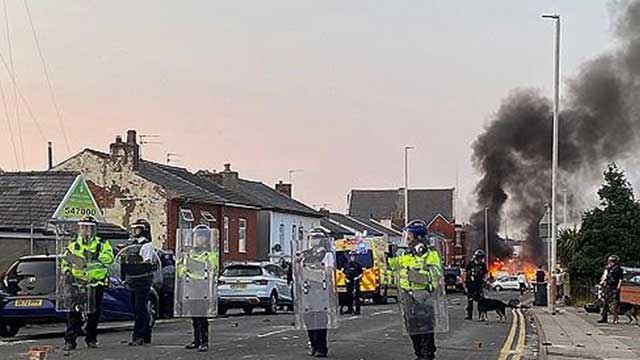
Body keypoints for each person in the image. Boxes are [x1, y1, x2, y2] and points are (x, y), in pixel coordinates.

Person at [390, 220, 448, 360]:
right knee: (411, 327)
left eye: (409, 235)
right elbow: (393, 265)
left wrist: (416, 276)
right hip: (407, 295)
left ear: (417, 236)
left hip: (423, 295)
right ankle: (419, 353)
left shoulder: (430, 253)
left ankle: (427, 354)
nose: (407, 238)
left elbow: (436, 273)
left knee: (426, 327)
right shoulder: (406, 253)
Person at [61, 216, 114, 351]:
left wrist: (95, 255)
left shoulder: (101, 243)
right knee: (74, 313)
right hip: (78, 284)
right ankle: (70, 341)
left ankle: (91, 338)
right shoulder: (73, 245)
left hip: (95, 284)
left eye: (88, 227)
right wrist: (67, 272)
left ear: (93, 229)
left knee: (93, 314)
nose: (85, 230)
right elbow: (65, 261)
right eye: (83, 227)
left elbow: (108, 259)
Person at [293, 228, 337, 358]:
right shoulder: (305, 254)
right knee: (309, 319)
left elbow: (328, 272)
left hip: (320, 289)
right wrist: (296, 262)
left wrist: (314, 271)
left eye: (317, 237)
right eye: (312, 238)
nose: (314, 240)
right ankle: (313, 344)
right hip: (307, 290)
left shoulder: (326, 254)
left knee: (320, 319)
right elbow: (297, 272)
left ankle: (321, 348)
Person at [180, 225, 219, 352]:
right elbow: (181, 270)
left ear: (207, 239)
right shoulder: (189, 253)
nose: (199, 240)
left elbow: (213, 268)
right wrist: (182, 269)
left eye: (202, 237)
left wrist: (198, 266)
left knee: (202, 316)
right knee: (194, 316)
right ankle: (196, 340)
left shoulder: (210, 253)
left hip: (203, 287)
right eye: (198, 237)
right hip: (191, 286)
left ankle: (204, 342)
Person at [123, 219, 158, 346]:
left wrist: (135, 264)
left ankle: (140, 335)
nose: (134, 231)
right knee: (137, 308)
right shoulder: (132, 245)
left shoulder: (146, 246)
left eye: (137, 229)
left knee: (140, 309)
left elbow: (146, 264)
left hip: (142, 280)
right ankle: (144, 335)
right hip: (133, 279)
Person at [599, 255, 623, 324]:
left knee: (613, 303)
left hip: (614, 287)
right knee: (605, 302)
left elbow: (620, 279)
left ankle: (616, 318)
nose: (610, 263)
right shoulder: (609, 269)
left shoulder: (619, 269)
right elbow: (606, 277)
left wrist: (618, 287)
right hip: (608, 287)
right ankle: (604, 317)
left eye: (611, 262)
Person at [464, 249, 488, 320]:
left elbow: (486, 273)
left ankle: (481, 316)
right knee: (470, 301)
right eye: (480, 258)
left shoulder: (483, 265)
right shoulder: (470, 264)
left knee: (481, 301)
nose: (481, 259)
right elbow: (465, 273)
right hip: (470, 285)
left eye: (482, 258)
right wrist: (464, 282)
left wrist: (485, 280)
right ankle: (469, 315)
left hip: (479, 285)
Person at [342, 250, 363, 315]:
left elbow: (361, 273)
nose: (352, 257)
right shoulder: (347, 265)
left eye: (353, 256)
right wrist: (346, 279)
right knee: (349, 296)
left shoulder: (358, 265)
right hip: (349, 282)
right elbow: (344, 273)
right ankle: (350, 309)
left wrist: (357, 278)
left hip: (355, 282)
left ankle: (357, 310)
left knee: (357, 296)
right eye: (351, 256)